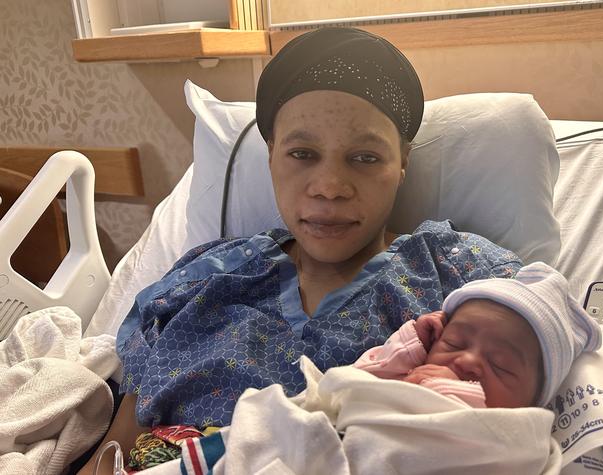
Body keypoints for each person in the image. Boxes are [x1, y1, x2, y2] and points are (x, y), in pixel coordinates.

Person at [80, 27, 525, 473]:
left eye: (365, 157)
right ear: (271, 153)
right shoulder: (205, 279)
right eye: (303, 153)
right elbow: (113, 452)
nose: (330, 188)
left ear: (403, 162)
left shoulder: (460, 276)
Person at [354, 262, 602, 409]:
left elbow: (468, 435)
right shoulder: (413, 372)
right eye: (454, 343)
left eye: (500, 364)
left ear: (535, 400)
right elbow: (354, 384)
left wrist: (443, 390)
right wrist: (411, 345)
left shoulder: (518, 434)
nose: (468, 361)